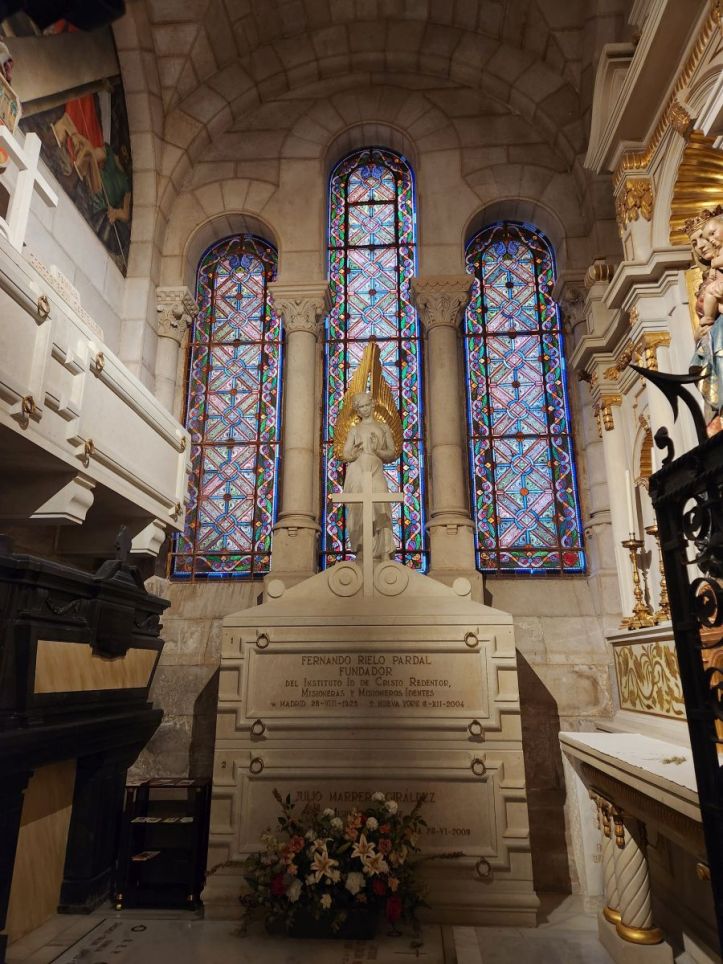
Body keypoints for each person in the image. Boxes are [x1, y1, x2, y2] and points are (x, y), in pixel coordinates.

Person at [340, 391, 397, 560]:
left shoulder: (383, 428)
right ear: (357, 410)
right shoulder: (355, 430)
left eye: (366, 405)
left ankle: (384, 550)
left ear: (372, 405)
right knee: (359, 510)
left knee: (381, 506)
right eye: (361, 407)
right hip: (357, 471)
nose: (364, 409)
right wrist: (355, 452)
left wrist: (377, 450)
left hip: (376, 469)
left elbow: (391, 453)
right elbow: (345, 454)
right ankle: (362, 550)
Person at [686, 208, 723, 435]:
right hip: (713, 340)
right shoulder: (707, 279)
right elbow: (702, 323)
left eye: (704, 237)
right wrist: (698, 335)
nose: (700, 245)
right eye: (694, 243)